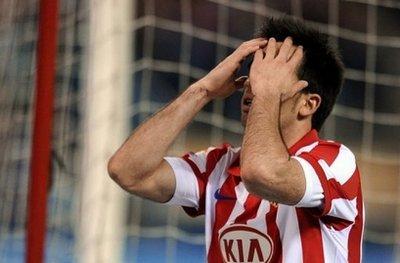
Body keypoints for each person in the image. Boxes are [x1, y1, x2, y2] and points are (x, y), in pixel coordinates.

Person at [108, 17, 364, 263]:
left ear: (308, 104)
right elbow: (128, 171)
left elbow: (262, 174)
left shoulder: (336, 162)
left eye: (270, 78)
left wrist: (266, 93)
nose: (254, 87)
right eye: (254, 76)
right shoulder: (219, 166)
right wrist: (202, 91)